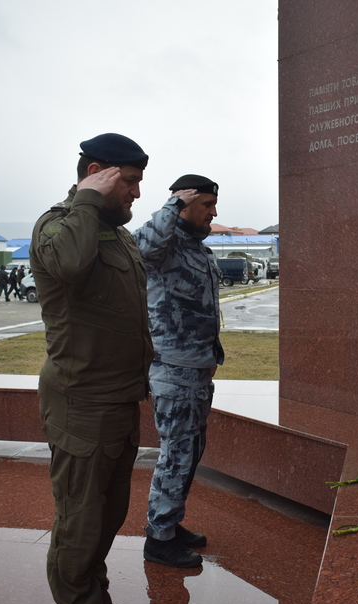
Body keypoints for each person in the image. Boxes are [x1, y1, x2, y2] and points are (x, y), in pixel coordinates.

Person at [30, 132, 154, 604]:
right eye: (128, 182)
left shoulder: (114, 232)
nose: (135, 194)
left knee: (106, 514)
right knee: (80, 518)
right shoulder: (61, 224)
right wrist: (86, 196)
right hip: (81, 400)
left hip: (118, 397)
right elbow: (69, 268)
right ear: (98, 172)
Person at [133, 174, 223, 569]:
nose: (214, 212)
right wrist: (171, 205)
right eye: (206, 205)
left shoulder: (199, 251)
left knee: (190, 454)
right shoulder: (163, 247)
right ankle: (159, 539)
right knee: (176, 456)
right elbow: (140, 246)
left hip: (199, 370)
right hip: (173, 370)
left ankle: (171, 524)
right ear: (184, 205)